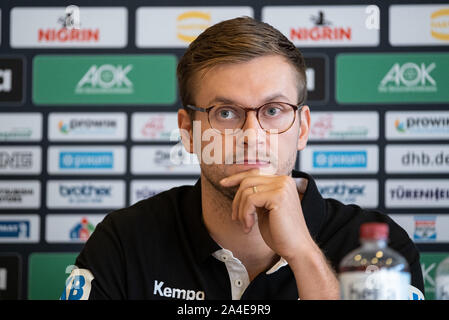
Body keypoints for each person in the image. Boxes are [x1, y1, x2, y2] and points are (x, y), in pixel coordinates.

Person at [60, 16, 424, 300]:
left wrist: (302, 254)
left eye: (274, 110)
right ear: (187, 130)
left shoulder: (379, 249)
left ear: (303, 127)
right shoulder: (125, 241)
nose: (251, 135)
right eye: (225, 113)